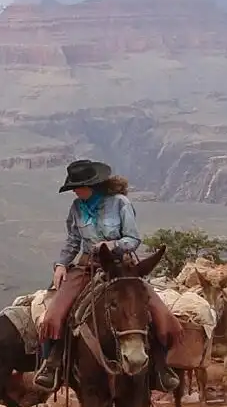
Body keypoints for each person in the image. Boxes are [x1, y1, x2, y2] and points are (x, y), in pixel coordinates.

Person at [34, 159, 182, 392]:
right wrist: (61, 264)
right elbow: (73, 240)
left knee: (161, 315)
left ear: (93, 185)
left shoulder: (120, 203)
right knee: (53, 315)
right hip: (87, 266)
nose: (75, 191)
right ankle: (52, 364)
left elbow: (133, 239)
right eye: (73, 187)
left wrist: (112, 245)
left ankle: (161, 368)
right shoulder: (76, 208)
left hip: (122, 266)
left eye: (79, 186)